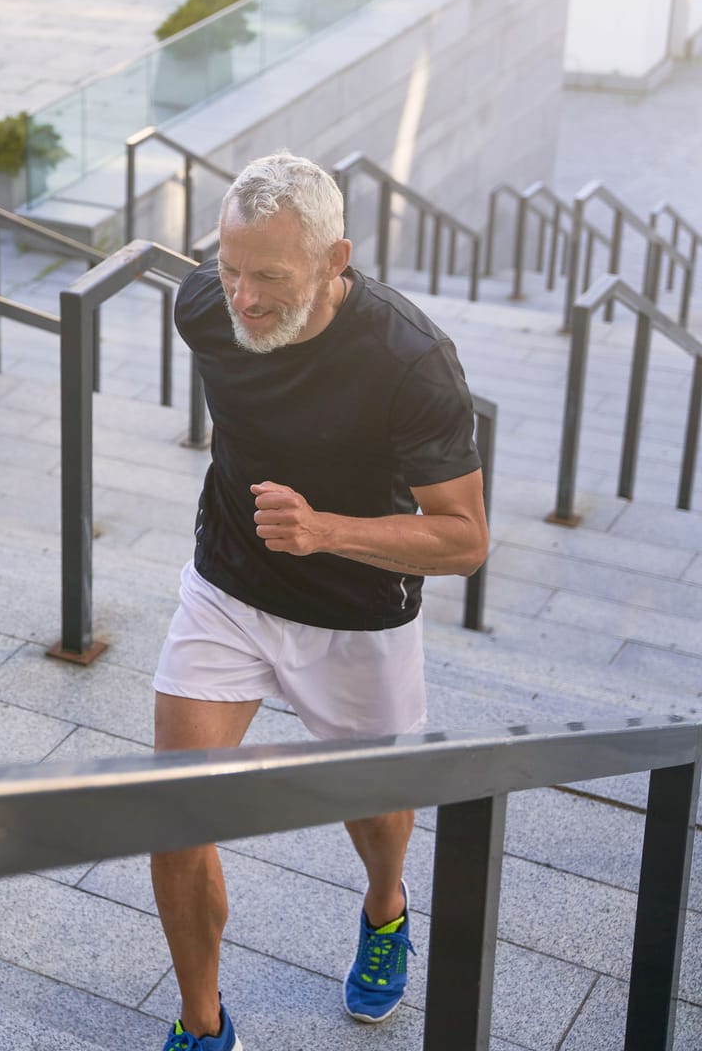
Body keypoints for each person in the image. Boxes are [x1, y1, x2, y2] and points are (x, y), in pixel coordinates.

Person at [152, 153, 489, 1051]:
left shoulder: (410, 361)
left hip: (357, 611)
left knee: (374, 810)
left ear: (336, 259)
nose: (244, 299)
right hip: (227, 585)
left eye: (270, 276)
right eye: (229, 269)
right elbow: (230, 338)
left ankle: (386, 908)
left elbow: (465, 538)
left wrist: (328, 529)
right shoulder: (204, 308)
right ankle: (202, 1024)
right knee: (171, 809)